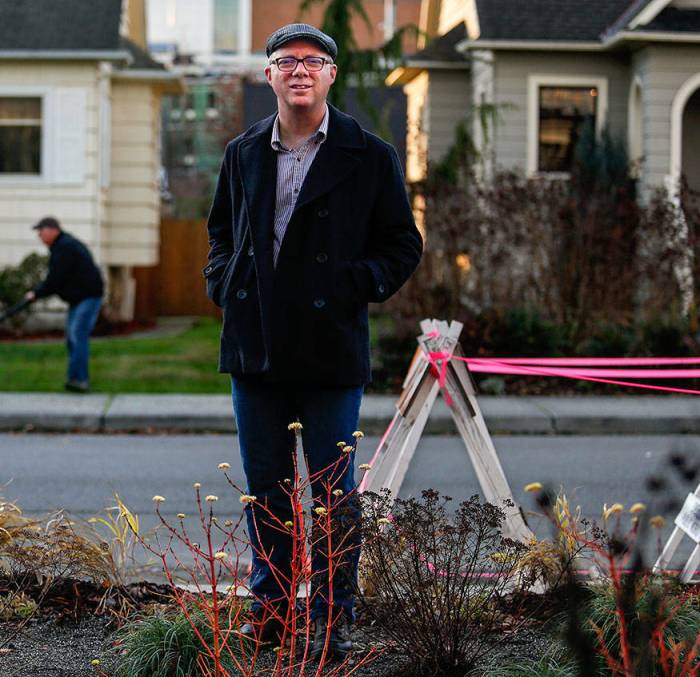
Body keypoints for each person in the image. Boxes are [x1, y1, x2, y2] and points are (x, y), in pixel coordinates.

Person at [203, 23, 423, 661]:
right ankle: (269, 615)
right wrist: (224, 281)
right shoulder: (242, 152)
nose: (300, 70)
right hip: (257, 344)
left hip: (330, 347)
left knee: (332, 492)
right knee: (265, 488)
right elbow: (221, 232)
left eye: (314, 61)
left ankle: (332, 618)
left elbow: (402, 245)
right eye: (286, 61)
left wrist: (354, 284)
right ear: (268, 75)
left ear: (331, 75)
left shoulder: (369, 154)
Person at [25, 217, 104, 393]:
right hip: (79, 298)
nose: (39, 235)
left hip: (88, 296)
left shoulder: (65, 247)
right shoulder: (61, 246)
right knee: (72, 337)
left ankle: (79, 380)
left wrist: (36, 293)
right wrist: (39, 292)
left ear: (53, 230)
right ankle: (75, 378)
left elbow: (55, 279)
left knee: (77, 334)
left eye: (41, 231)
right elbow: (59, 279)